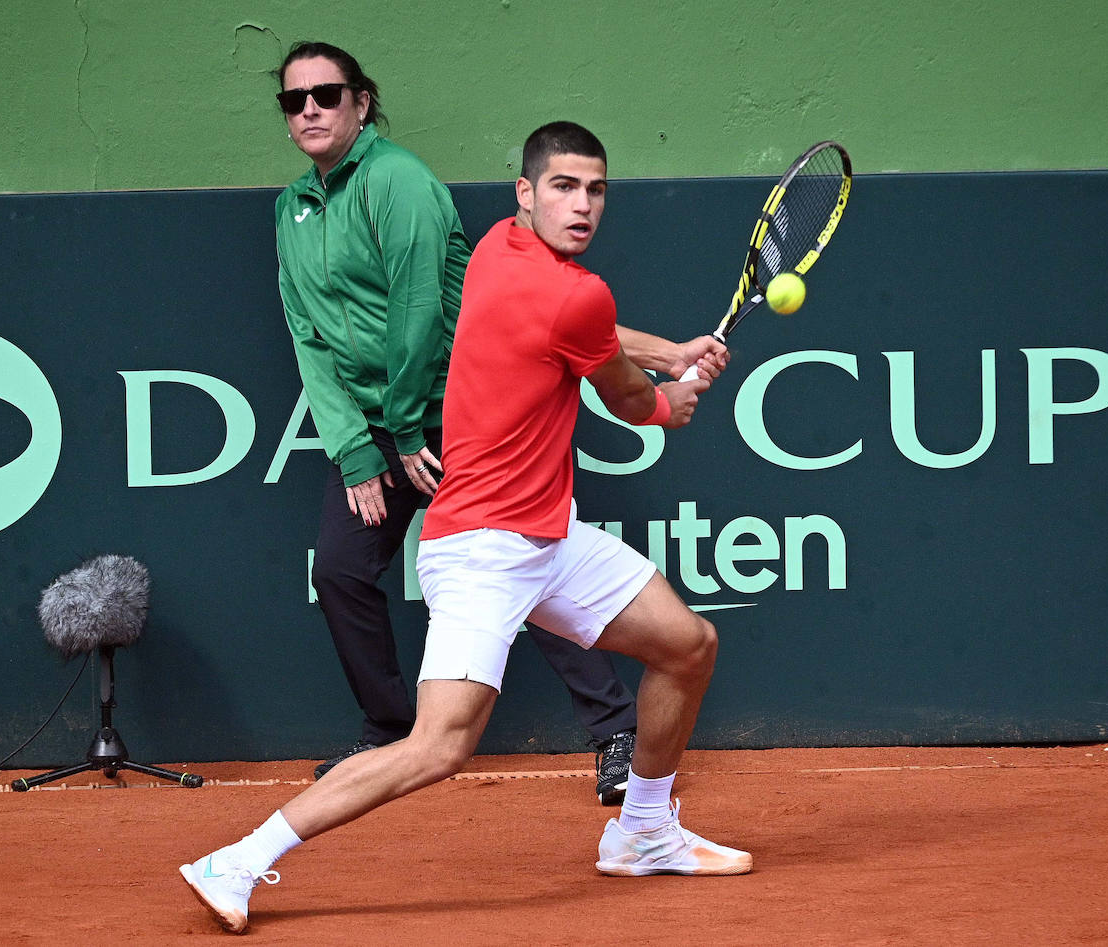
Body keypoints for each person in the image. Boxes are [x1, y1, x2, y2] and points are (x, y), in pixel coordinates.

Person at [180, 120, 751, 934]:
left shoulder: (495, 249)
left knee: (688, 644)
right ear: (527, 192)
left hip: (549, 534)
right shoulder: (575, 292)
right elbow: (627, 396)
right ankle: (234, 859)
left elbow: (590, 336)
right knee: (439, 746)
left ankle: (645, 833)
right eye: (562, 186)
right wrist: (672, 402)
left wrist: (669, 351)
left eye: (595, 189)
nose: (581, 204)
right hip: (485, 544)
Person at [267, 42, 638, 801]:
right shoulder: (292, 208)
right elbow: (305, 332)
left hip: (456, 409)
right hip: (378, 430)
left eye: (326, 95)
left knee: (524, 567)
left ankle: (615, 734)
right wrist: (354, 447)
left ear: (360, 103)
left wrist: (407, 432)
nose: (309, 109)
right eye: (293, 99)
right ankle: (391, 738)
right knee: (340, 569)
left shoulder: (398, 182)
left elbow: (415, 315)